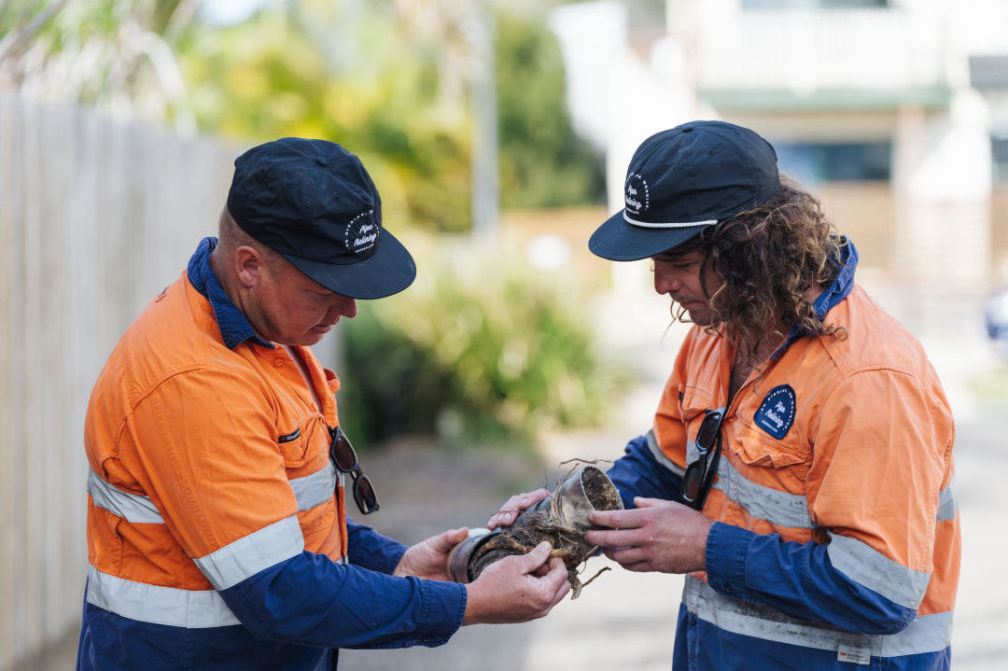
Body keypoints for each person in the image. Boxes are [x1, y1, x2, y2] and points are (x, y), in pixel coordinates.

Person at [77, 137, 570, 670]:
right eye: (327, 287)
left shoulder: (267, 334)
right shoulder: (193, 381)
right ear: (249, 267)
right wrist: (467, 605)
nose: (351, 308)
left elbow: (278, 522)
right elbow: (281, 591)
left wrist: (393, 561)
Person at [490, 120, 960, 670]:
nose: (660, 283)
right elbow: (664, 465)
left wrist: (705, 547)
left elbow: (879, 589)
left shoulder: (869, 379)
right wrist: (566, 515)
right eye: (653, 262)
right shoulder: (717, 333)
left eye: (679, 263)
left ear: (750, 249)